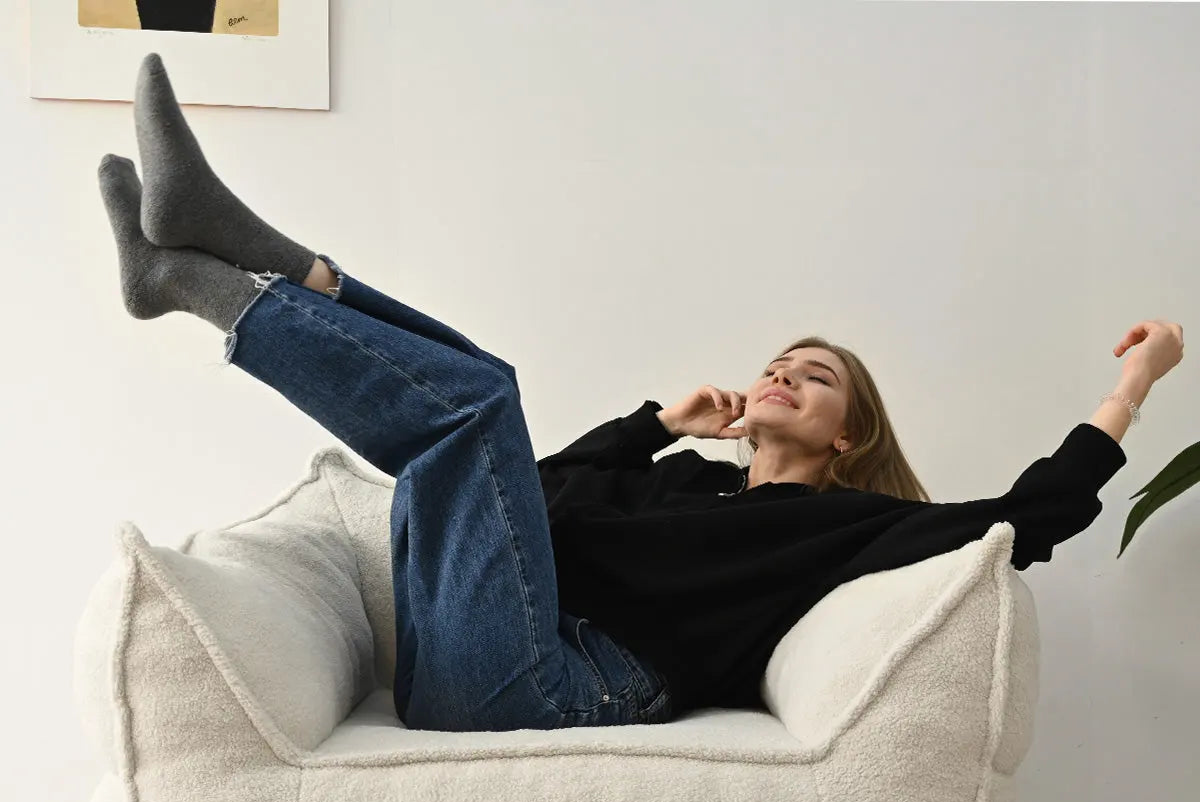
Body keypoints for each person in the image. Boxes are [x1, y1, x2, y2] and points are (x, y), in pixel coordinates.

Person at [99, 53, 1183, 731]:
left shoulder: (851, 527)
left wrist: (1132, 384)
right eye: (776, 363)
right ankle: (234, 266)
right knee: (480, 415)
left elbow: (1032, 518)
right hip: (472, 648)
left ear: (851, 433)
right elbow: (529, 497)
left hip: (561, 682)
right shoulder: (676, 483)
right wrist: (657, 426)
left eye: (814, 379)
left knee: (481, 401)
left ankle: (222, 274)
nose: (780, 377)